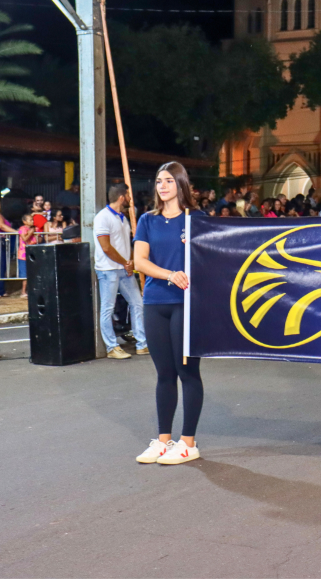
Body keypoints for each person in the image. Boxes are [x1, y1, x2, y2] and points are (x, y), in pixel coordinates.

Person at [132, 162, 204, 465]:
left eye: (169, 181)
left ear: (181, 185)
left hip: (188, 304)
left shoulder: (197, 219)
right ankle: (163, 441)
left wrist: (195, 248)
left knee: (187, 372)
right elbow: (139, 261)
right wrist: (169, 274)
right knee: (164, 374)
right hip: (155, 302)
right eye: (159, 181)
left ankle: (188, 442)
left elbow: (216, 258)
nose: (162, 186)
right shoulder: (147, 220)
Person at [94, 184, 148, 360]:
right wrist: (126, 262)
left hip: (123, 268)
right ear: (121, 197)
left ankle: (142, 343)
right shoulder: (103, 217)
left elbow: (125, 244)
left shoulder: (122, 218)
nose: (130, 198)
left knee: (137, 303)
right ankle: (111, 347)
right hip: (109, 269)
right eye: (128, 195)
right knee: (107, 308)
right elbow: (106, 247)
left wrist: (130, 261)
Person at [17, 214, 37, 298]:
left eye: (32, 220)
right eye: (30, 220)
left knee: (32, 272)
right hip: (23, 255)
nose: (32, 221)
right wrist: (31, 233)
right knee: (24, 274)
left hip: (32, 253)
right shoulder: (22, 229)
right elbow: (25, 239)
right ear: (24, 221)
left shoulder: (34, 229)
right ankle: (23, 291)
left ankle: (31, 289)